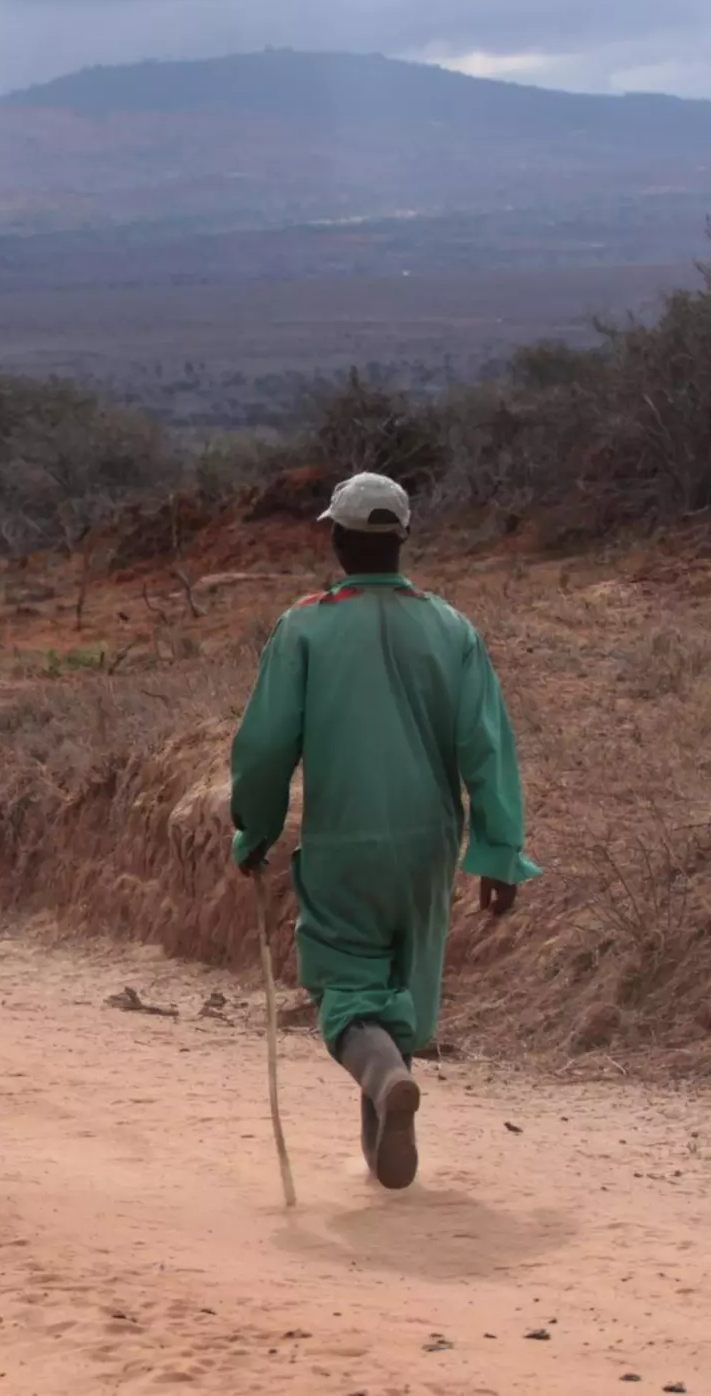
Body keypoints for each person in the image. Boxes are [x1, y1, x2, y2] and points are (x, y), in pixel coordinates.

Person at [230, 472, 540, 1190]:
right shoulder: (452, 628)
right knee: (404, 990)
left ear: (337, 540)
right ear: (403, 540)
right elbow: (487, 747)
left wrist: (255, 830)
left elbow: (265, 747)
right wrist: (499, 851)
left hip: (344, 843)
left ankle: (385, 1081)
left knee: (347, 989)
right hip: (429, 846)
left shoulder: (304, 627)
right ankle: (384, 1135)